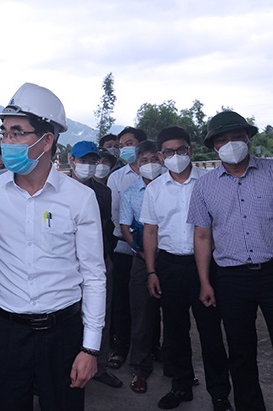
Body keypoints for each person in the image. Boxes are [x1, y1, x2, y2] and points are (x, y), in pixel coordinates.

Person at [0, 82, 106, 410]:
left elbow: (94, 275)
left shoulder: (80, 198)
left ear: (46, 141)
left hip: (63, 333)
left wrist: (90, 349)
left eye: (18, 133)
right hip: (6, 332)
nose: (7, 142)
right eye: (4, 133)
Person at [142, 126, 232, 410]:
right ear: (160, 155)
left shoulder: (209, 182)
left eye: (181, 150)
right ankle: (181, 385)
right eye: (168, 152)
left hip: (205, 266)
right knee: (175, 330)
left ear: (191, 150)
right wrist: (152, 271)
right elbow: (150, 232)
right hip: (169, 265)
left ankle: (219, 394)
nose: (176, 156)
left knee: (210, 331)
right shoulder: (155, 189)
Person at [188, 110, 272, 411]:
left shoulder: (271, 172)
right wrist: (205, 282)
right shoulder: (205, 186)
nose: (231, 144)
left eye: (237, 137)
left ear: (248, 138)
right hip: (232, 277)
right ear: (214, 147)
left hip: (271, 270)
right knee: (241, 351)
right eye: (223, 140)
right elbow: (202, 236)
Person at [69, 141, 122, 389]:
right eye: (84, 160)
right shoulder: (61, 190)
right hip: (68, 263)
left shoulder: (103, 192)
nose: (89, 166)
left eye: (93, 161)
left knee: (102, 311)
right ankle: (67, 366)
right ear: (71, 161)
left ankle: (98, 365)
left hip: (100, 258)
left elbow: (107, 226)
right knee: (69, 315)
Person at [118, 140, 163, 394]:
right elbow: (125, 224)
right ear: (136, 164)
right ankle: (140, 368)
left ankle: (177, 367)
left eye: (153, 160)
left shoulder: (172, 186)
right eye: (143, 161)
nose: (149, 165)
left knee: (176, 315)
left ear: (161, 159)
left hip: (170, 258)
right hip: (140, 258)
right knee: (142, 314)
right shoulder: (131, 193)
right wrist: (136, 245)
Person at [106, 127, 147, 370]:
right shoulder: (117, 177)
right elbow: (115, 215)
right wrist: (134, 242)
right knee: (122, 302)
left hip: (154, 250)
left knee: (150, 304)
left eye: (130, 143)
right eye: (122, 145)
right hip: (124, 248)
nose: (125, 149)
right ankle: (121, 348)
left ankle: (152, 348)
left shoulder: (159, 174)